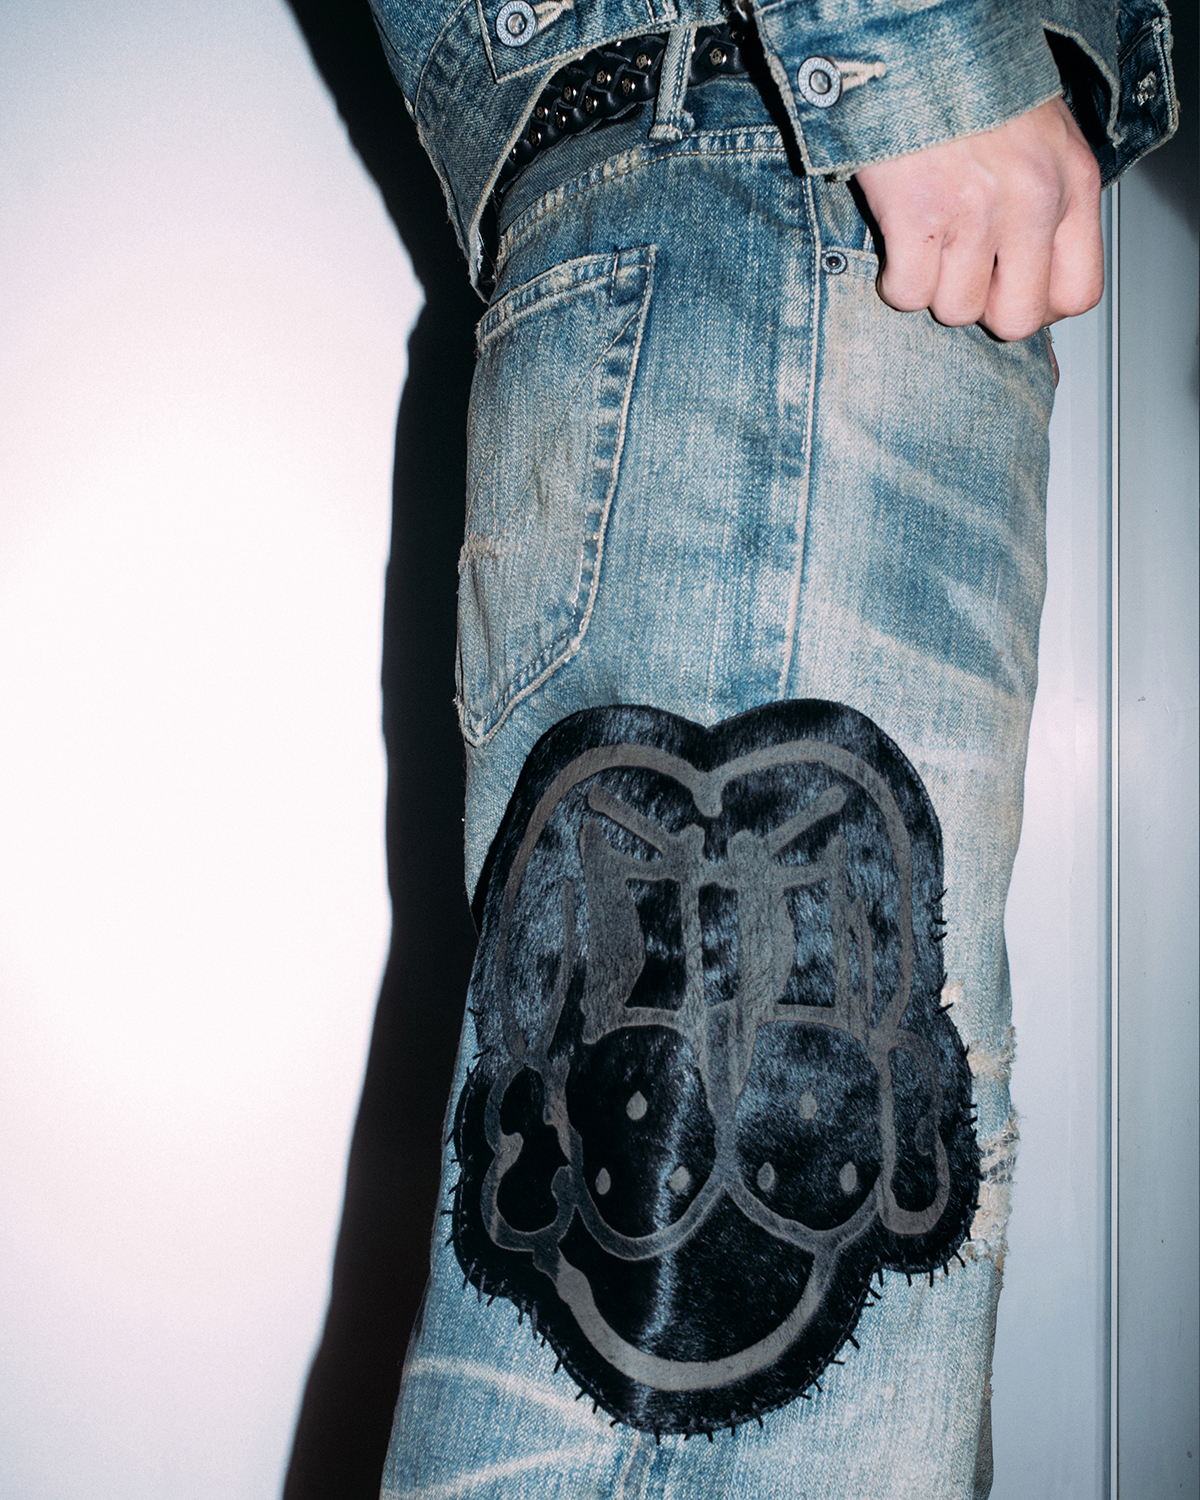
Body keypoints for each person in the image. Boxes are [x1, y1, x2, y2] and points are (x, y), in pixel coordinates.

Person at [364, 0, 1176, 1493]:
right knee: (738, 1414)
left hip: (790, 200)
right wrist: (907, 40)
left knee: (837, 1398)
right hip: (797, 181)